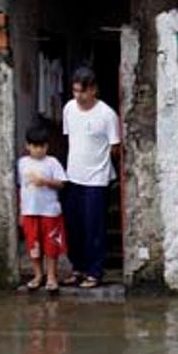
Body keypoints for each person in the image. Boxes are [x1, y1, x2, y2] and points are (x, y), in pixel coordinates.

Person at [61, 65, 120, 288]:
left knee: (94, 228)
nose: (78, 96)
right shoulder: (69, 109)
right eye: (75, 91)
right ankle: (78, 268)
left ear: (94, 89)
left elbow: (115, 147)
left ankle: (95, 272)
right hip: (73, 176)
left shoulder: (106, 114)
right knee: (73, 227)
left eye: (82, 92)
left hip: (97, 179)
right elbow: (70, 139)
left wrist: (102, 167)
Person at [17, 124, 68, 293]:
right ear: (28, 146)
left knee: (51, 246)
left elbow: (61, 183)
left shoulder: (52, 162)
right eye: (34, 146)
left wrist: (45, 181)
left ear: (47, 146)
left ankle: (52, 277)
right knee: (34, 245)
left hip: (49, 211)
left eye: (42, 146)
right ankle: (38, 275)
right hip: (29, 211)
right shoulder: (22, 163)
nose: (38, 150)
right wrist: (20, 211)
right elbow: (20, 187)